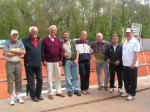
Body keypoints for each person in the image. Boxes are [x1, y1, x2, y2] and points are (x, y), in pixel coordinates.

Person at [42, 25, 65, 100]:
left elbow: (61, 50)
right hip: (48, 62)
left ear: (56, 31)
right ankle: (50, 93)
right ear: (49, 31)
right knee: (49, 78)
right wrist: (43, 60)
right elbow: (42, 51)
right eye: (52, 30)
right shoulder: (44, 40)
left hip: (57, 61)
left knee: (58, 77)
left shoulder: (58, 40)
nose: (53, 31)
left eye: (54, 30)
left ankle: (58, 91)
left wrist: (61, 60)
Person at [3, 30, 25, 106]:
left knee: (19, 79)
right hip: (9, 64)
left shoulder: (20, 42)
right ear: (11, 36)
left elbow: (24, 52)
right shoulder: (7, 43)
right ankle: (11, 97)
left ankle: (18, 96)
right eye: (13, 35)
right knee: (10, 80)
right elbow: (6, 54)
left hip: (18, 63)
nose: (15, 36)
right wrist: (18, 51)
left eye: (16, 35)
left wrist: (12, 51)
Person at [22, 26, 43, 102]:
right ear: (30, 32)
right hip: (29, 65)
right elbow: (20, 48)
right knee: (31, 81)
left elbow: (42, 51)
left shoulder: (40, 40)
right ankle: (33, 96)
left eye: (36, 31)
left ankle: (38, 94)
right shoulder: (24, 40)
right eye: (33, 31)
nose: (35, 32)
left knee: (40, 80)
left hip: (38, 64)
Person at [121, 28, 140, 100]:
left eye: (129, 33)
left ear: (132, 34)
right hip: (125, 64)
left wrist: (133, 63)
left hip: (132, 65)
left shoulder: (135, 42)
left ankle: (132, 94)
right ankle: (127, 92)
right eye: (127, 33)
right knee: (126, 79)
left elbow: (136, 53)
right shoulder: (125, 41)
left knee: (132, 80)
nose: (128, 34)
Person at [62, 31, 81, 97]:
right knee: (68, 77)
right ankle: (69, 90)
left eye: (66, 35)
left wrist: (76, 60)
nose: (65, 36)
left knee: (75, 76)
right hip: (66, 61)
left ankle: (76, 90)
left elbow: (77, 51)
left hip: (74, 61)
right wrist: (62, 54)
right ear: (63, 36)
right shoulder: (61, 43)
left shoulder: (73, 42)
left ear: (69, 35)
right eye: (64, 35)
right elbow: (59, 52)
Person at [76, 31, 91, 95]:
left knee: (87, 75)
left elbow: (89, 51)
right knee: (83, 75)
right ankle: (82, 89)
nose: (84, 36)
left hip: (87, 60)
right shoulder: (76, 42)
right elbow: (76, 51)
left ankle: (86, 88)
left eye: (85, 35)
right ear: (80, 35)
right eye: (83, 34)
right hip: (81, 61)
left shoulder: (87, 42)